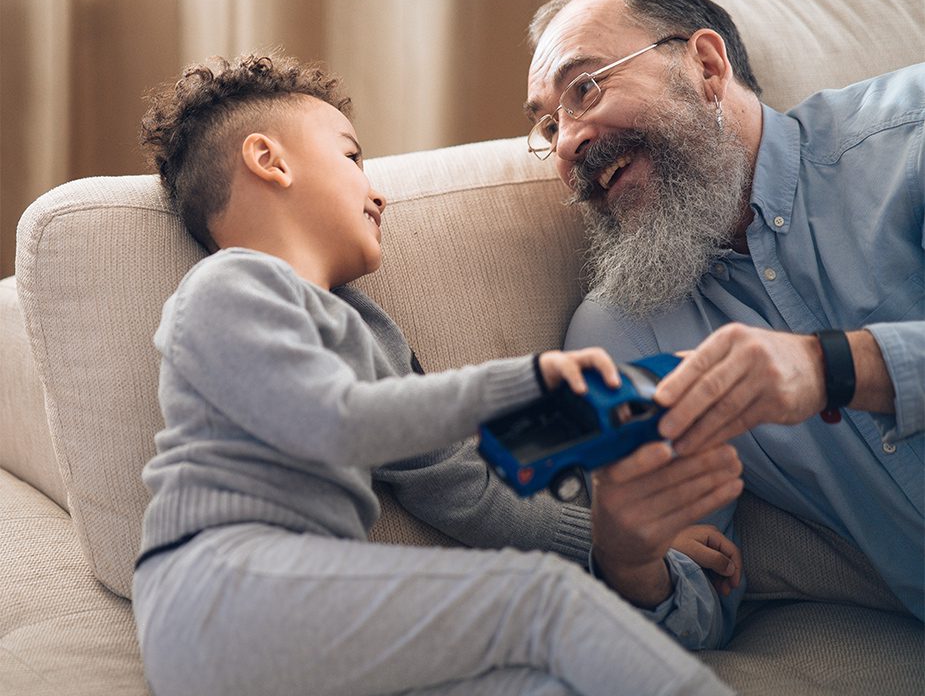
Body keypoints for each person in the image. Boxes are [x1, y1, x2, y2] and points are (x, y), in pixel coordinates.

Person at [131, 53, 744, 696]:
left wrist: (614, 536)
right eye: (352, 158)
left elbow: (461, 483)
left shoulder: (366, 331)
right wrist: (528, 380)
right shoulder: (231, 285)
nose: (378, 190)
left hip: (305, 620)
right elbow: (336, 423)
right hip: (218, 592)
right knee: (542, 601)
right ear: (270, 161)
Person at [523, 0, 924, 644]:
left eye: (585, 88)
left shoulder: (908, 139)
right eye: (546, 124)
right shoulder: (621, 329)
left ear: (705, 64)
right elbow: (700, 600)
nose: (566, 144)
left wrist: (835, 366)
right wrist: (628, 563)